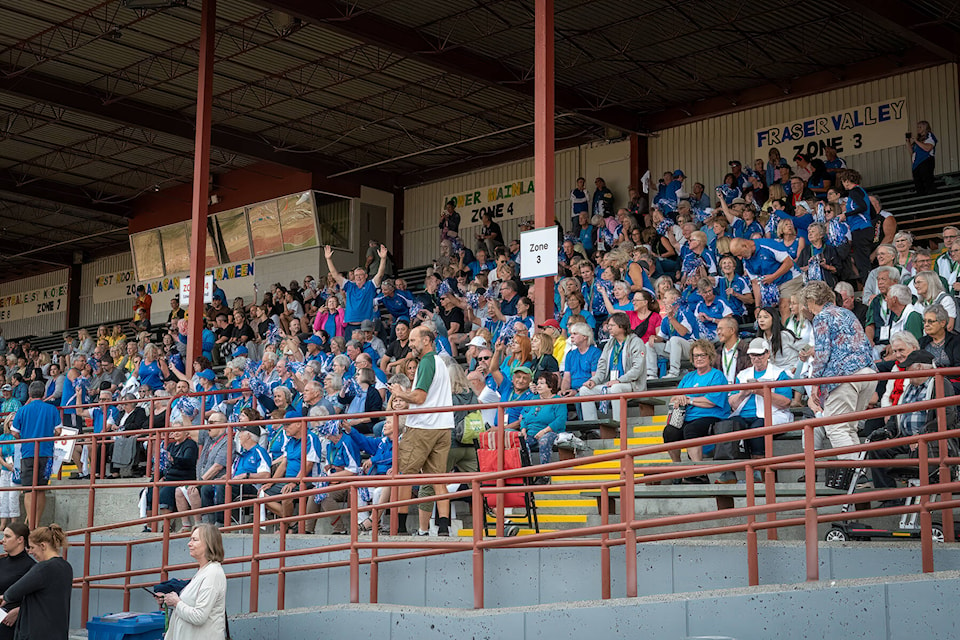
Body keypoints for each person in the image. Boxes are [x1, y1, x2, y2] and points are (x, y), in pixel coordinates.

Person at [387, 326, 454, 536]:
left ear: (426, 341)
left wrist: (401, 393)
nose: (411, 344)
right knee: (438, 479)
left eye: (414, 340)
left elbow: (419, 398)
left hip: (423, 426)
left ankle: (400, 526)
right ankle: (444, 526)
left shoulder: (426, 362)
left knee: (404, 475)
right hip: (443, 426)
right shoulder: (441, 362)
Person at [802, 281, 877, 460]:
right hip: (868, 372)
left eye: (807, 303)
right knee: (849, 428)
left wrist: (814, 385)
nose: (807, 308)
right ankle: (859, 474)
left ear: (812, 299)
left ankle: (853, 473)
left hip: (844, 376)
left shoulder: (822, 317)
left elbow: (822, 354)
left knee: (836, 428)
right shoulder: (847, 312)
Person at [661, 339, 731, 480]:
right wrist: (679, 399)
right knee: (669, 431)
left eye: (702, 355)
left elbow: (711, 401)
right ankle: (678, 469)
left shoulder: (717, 376)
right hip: (687, 416)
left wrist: (689, 400)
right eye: (696, 356)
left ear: (710, 356)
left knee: (691, 430)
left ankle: (699, 472)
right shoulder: (688, 377)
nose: (699, 359)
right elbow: (674, 398)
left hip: (711, 415)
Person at [0, 524, 72, 640]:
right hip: (58, 631)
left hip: (38, 632)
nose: (30, 552)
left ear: (43, 546)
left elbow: (14, 591)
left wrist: (5, 598)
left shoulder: (43, 568)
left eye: (32, 548)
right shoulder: (66, 567)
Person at [158, 524, 227, 640]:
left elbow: (199, 616)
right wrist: (169, 600)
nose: (189, 544)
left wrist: (176, 602)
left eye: (195, 540)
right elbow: (189, 605)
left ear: (208, 544)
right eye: (190, 540)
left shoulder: (212, 573)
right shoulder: (204, 571)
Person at [578, 313, 647, 422]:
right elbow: (601, 368)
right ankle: (592, 427)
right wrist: (594, 380)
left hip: (631, 384)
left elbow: (637, 369)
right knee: (584, 390)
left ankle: (619, 424)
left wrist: (619, 380)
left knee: (616, 388)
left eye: (612, 325)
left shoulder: (636, 342)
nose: (608, 328)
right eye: (608, 325)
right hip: (610, 384)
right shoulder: (609, 344)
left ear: (622, 326)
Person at [11, 382, 60, 526]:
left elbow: (14, 432)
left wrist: (25, 438)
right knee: (41, 489)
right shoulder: (52, 409)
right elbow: (58, 431)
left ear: (30, 394)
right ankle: (36, 523)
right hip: (46, 453)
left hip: (27, 453)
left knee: (28, 490)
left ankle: (31, 524)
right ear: (44, 393)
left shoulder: (23, 410)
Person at [519, 372, 566, 470]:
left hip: (551, 432)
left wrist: (544, 431)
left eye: (541, 383)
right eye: (538, 383)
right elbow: (524, 417)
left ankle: (544, 473)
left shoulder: (558, 400)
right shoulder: (533, 399)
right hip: (531, 433)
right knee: (522, 443)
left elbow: (560, 420)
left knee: (544, 440)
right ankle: (528, 472)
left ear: (550, 386)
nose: (538, 386)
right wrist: (523, 430)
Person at [0, 524, 34, 639]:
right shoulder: (2, 562)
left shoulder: (32, 567)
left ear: (20, 540)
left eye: (7, 537)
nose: (3, 540)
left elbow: (37, 598)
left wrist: (19, 611)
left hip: (12, 625)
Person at [907, 120, 937, 196]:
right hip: (916, 164)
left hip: (926, 160)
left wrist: (916, 141)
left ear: (925, 127)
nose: (918, 129)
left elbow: (928, 148)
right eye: (917, 127)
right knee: (918, 184)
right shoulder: (918, 139)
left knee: (927, 180)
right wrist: (908, 142)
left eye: (920, 127)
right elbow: (912, 153)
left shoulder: (929, 136)